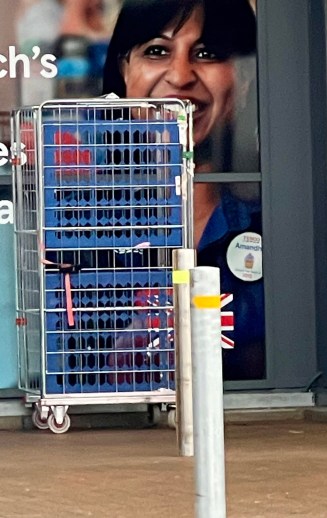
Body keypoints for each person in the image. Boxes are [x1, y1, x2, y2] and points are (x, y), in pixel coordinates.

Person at [103, 0, 264, 380]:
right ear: (123, 73)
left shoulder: (278, 212)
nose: (180, 75)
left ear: (243, 81)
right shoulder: (80, 222)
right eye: (156, 51)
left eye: (206, 53)